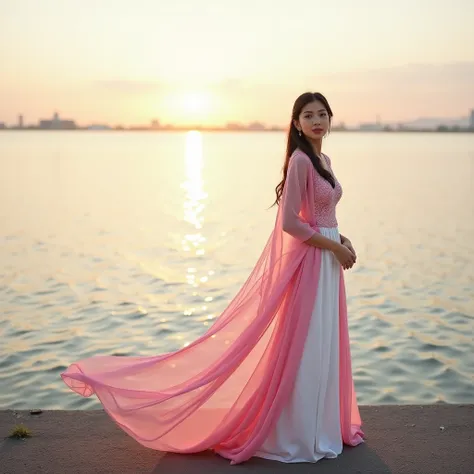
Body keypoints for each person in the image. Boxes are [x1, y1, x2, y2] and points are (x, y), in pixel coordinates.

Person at [61, 92, 364, 465]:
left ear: (330, 119)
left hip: (329, 258)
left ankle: (321, 425)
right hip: (314, 264)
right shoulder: (300, 161)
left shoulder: (324, 159)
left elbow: (322, 213)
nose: (316, 121)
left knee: (323, 343)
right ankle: (300, 432)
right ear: (296, 123)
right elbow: (290, 223)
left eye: (322, 114)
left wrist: (342, 239)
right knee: (306, 346)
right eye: (308, 115)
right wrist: (332, 248)